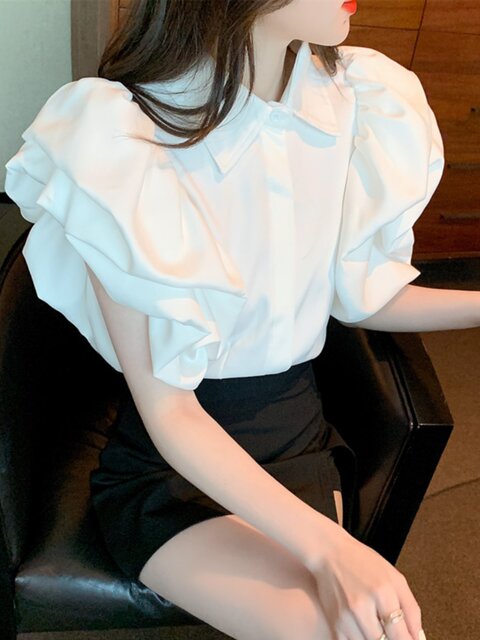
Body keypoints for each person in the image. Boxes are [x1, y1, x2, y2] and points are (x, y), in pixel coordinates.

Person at [4, 0, 480, 639]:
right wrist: (331, 550)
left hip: (298, 435)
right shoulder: (121, 139)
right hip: (179, 462)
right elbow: (171, 413)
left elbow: (359, 298)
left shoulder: (355, 101)